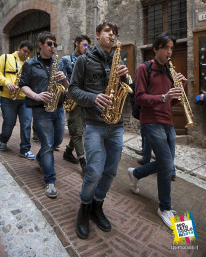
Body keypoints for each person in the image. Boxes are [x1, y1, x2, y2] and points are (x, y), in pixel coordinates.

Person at [68, 20, 129, 239]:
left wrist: (125, 77)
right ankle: (84, 208)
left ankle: (97, 206)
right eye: (107, 31)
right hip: (94, 124)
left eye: (114, 32)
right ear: (97, 35)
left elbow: (127, 87)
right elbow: (73, 90)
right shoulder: (84, 60)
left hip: (117, 124)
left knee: (111, 171)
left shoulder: (118, 59)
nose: (111, 34)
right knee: (94, 171)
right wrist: (94, 98)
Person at [128, 32, 187, 229]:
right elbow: (139, 98)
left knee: (167, 164)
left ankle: (135, 174)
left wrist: (181, 88)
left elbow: (173, 101)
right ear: (156, 49)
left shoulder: (170, 70)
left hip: (168, 122)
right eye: (166, 48)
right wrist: (163, 97)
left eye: (172, 48)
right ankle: (164, 207)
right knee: (167, 163)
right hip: (151, 121)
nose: (170, 52)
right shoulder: (144, 68)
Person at [19, 31, 69, 198]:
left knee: (58, 140)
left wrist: (64, 80)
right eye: (49, 44)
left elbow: (67, 87)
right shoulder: (30, 64)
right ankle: (50, 181)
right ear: (40, 44)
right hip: (41, 109)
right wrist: (36, 95)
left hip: (58, 107)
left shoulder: (59, 63)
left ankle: (40, 158)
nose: (53, 47)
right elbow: (23, 85)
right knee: (48, 144)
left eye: (54, 44)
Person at [58, 35, 91, 174]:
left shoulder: (87, 61)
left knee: (80, 130)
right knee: (77, 131)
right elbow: (58, 80)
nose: (86, 48)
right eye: (84, 45)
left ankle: (67, 151)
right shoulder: (66, 60)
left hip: (85, 99)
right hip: (72, 101)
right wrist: (69, 87)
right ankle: (83, 161)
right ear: (76, 43)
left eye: (88, 46)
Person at [0, 40, 35, 160]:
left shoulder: (29, 63)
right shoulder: (5, 58)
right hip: (8, 98)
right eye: (24, 51)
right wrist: (6, 82)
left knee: (26, 124)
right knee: (9, 123)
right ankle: (3, 140)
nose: (26, 55)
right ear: (19, 48)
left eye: (29, 53)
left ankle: (25, 149)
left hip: (25, 99)